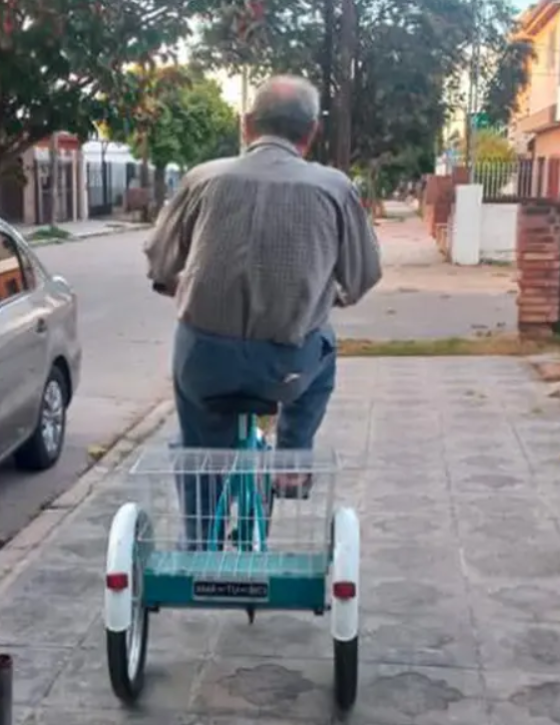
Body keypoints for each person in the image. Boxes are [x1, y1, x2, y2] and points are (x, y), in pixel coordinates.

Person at [144, 75, 382, 548]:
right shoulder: (334, 188)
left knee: (198, 446)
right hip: (286, 367)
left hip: (204, 363)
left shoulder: (202, 179)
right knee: (326, 349)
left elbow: (160, 261)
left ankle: (201, 545)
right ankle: (291, 464)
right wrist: (324, 296)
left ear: (247, 124)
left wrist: (180, 284)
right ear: (311, 132)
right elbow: (362, 275)